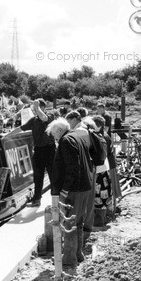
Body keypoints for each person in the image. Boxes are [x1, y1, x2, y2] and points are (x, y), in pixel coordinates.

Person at [50, 111, 94, 265]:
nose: (54, 139)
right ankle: (78, 254)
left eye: (54, 136)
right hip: (84, 186)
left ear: (58, 132)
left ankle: (69, 258)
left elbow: (72, 167)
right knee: (79, 221)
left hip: (74, 188)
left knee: (69, 222)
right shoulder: (77, 136)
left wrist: (65, 189)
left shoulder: (66, 141)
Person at [11, 99, 54, 207]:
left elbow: (43, 118)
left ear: (42, 107)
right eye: (34, 109)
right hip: (39, 150)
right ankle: (36, 200)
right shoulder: (33, 120)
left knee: (53, 176)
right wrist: (7, 136)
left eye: (36, 109)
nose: (34, 111)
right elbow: (21, 128)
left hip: (50, 150)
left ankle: (57, 201)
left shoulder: (50, 116)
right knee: (38, 177)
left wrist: (36, 107)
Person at [91, 116, 112, 210]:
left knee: (97, 192)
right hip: (105, 166)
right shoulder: (106, 135)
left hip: (98, 167)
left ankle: (98, 213)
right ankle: (105, 211)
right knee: (105, 190)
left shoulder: (96, 136)